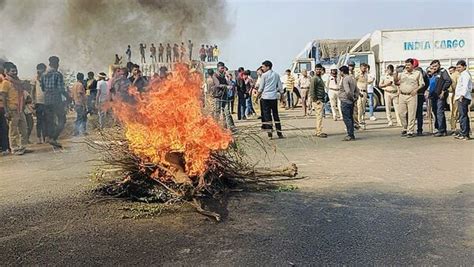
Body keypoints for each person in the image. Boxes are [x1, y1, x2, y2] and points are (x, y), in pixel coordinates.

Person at [0, 62, 28, 155]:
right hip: (12, 110)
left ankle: (22, 147)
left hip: (20, 109)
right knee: (13, 131)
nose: (15, 72)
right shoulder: (6, 83)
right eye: (12, 71)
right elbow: (3, 97)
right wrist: (6, 111)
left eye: (16, 70)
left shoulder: (18, 82)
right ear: (7, 72)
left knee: (24, 129)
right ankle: (15, 148)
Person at [41, 56, 68, 148]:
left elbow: (43, 88)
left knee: (50, 121)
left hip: (47, 101)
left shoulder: (43, 75)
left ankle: (51, 139)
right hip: (56, 101)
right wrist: (68, 97)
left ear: (49, 64)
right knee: (62, 120)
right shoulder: (58, 74)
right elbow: (61, 89)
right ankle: (53, 138)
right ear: (57, 64)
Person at [395, 58, 425, 138]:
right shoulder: (402, 74)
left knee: (412, 114)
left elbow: (422, 84)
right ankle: (404, 127)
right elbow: (396, 82)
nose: (407, 66)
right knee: (401, 113)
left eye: (408, 65)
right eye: (406, 65)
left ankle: (410, 131)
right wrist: (395, 74)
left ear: (412, 65)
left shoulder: (417, 73)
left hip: (412, 96)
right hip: (402, 95)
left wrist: (416, 90)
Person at [257, 60, 284, 139]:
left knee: (267, 115)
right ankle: (279, 133)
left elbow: (261, 88)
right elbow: (280, 87)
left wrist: (257, 96)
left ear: (268, 67)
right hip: (273, 97)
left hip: (265, 97)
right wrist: (282, 96)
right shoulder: (276, 75)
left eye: (263, 67)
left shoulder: (264, 75)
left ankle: (270, 133)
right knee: (275, 114)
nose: (262, 68)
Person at [428, 59, 452, 137]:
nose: (434, 68)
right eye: (433, 66)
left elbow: (448, 81)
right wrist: (430, 73)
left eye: (436, 66)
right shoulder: (432, 73)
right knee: (435, 112)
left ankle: (442, 130)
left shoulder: (442, 71)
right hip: (433, 96)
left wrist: (443, 90)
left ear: (439, 65)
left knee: (439, 112)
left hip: (440, 95)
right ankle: (439, 128)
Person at [210, 62, 235, 130]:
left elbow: (230, 84)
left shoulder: (224, 75)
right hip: (217, 96)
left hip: (224, 95)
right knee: (217, 112)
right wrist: (226, 86)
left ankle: (231, 127)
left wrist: (228, 77)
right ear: (218, 68)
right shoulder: (215, 75)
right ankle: (216, 127)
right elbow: (217, 84)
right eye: (222, 68)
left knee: (227, 111)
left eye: (224, 68)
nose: (223, 69)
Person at [338, 65, 358, 141]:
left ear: (342, 72)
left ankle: (350, 134)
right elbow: (357, 89)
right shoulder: (352, 78)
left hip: (346, 101)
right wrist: (355, 97)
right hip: (351, 101)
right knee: (350, 118)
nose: (340, 73)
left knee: (347, 118)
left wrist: (351, 98)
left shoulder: (345, 79)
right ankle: (351, 133)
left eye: (340, 72)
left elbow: (348, 91)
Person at [453, 60, 472, 140]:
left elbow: (465, 86)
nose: (458, 69)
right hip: (460, 97)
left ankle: (465, 134)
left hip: (463, 97)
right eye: (457, 67)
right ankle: (463, 132)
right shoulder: (461, 75)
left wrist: (462, 95)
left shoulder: (465, 75)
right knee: (461, 116)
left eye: (460, 67)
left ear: (464, 67)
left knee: (463, 116)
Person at [309, 64, 328, 138]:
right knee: (319, 116)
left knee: (319, 117)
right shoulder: (314, 78)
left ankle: (318, 130)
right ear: (315, 70)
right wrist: (315, 99)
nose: (318, 71)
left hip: (321, 99)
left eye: (319, 69)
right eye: (317, 69)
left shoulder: (319, 78)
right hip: (318, 100)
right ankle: (319, 132)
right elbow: (312, 90)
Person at [413, 59, 430, 135]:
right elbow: (427, 83)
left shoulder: (414, 73)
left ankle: (409, 129)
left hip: (413, 94)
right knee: (419, 112)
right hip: (420, 94)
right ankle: (419, 130)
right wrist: (423, 90)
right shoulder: (423, 72)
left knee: (412, 113)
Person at [32, 63, 47, 143]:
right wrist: (33, 101)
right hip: (38, 102)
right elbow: (32, 90)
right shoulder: (35, 78)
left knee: (46, 120)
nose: (40, 71)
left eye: (42, 69)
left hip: (46, 102)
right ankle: (39, 138)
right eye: (39, 69)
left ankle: (45, 137)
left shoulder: (46, 78)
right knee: (39, 121)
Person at [355, 63, 371, 129]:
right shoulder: (357, 74)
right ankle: (358, 121)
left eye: (366, 68)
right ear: (361, 67)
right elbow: (354, 83)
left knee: (363, 108)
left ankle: (361, 120)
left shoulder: (366, 75)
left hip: (364, 92)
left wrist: (367, 93)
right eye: (364, 68)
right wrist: (357, 92)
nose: (365, 69)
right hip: (359, 92)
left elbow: (366, 84)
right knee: (359, 107)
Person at [447, 65, 460, 134]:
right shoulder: (461, 75)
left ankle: (453, 128)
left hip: (455, 94)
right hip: (459, 94)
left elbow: (451, 88)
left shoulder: (453, 76)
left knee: (454, 113)